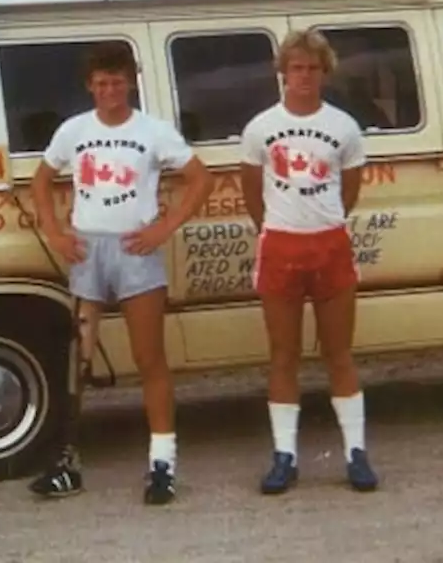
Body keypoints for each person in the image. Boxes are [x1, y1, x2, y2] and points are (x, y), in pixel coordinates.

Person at [27, 41, 213, 505]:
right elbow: (41, 179)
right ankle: (67, 463)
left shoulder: (153, 130)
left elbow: (200, 178)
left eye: (117, 81)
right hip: (89, 250)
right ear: (90, 86)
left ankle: (162, 464)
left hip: (135, 249)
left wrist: (164, 227)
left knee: (149, 358)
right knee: (78, 360)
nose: (110, 90)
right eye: (101, 82)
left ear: (130, 82)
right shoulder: (75, 130)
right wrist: (55, 232)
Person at [239, 28, 379, 495]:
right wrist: (280, 227)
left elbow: (351, 189)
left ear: (324, 72)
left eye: (312, 68)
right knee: (283, 355)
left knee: (339, 353)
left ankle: (356, 453)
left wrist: (324, 221)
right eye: (295, 68)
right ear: (283, 73)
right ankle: (285, 456)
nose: (303, 76)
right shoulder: (260, 127)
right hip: (280, 246)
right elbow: (252, 194)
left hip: (330, 246)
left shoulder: (344, 127)